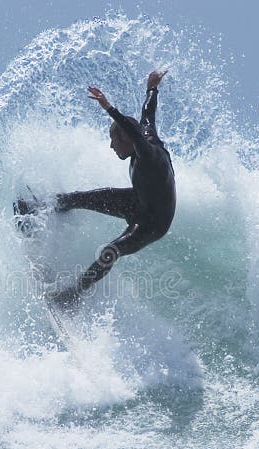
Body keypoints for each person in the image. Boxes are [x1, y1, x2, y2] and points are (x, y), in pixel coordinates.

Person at [16, 70, 176, 307]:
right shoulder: (143, 135)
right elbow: (148, 112)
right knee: (84, 198)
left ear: (128, 140)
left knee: (111, 251)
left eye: (115, 141)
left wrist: (108, 106)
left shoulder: (148, 153)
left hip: (153, 222)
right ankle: (38, 209)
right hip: (139, 200)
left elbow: (134, 133)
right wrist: (152, 88)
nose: (111, 146)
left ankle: (73, 295)